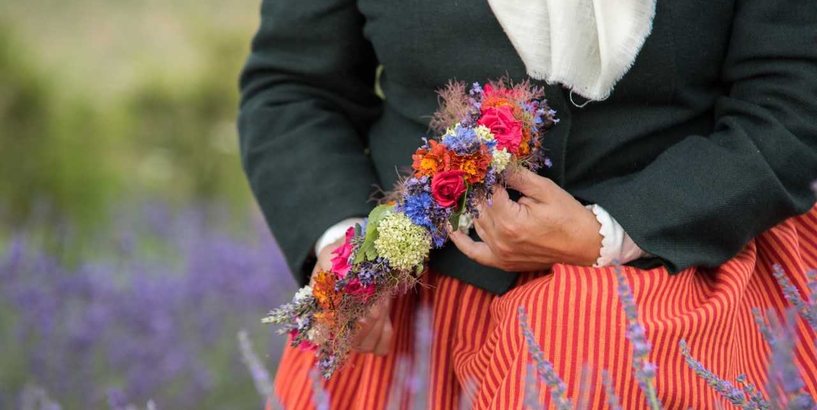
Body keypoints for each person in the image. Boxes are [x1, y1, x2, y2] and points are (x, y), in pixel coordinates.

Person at [238, 0, 817, 408]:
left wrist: (610, 231)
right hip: (415, 292)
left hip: (682, 262)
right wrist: (349, 245)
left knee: (593, 345)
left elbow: (790, 106)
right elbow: (294, 89)